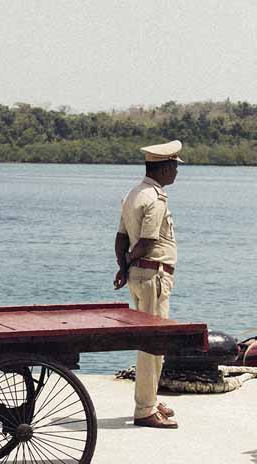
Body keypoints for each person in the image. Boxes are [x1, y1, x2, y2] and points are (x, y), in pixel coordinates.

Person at [113, 140, 183, 429]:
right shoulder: (155, 199)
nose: (176, 173)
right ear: (164, 168)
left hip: (139, 275)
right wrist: (130, 260)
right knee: (153, 344)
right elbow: (147, 241)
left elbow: (120, 238)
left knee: (151, 342)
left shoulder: (133, 193)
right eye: (175, 168)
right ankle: (144, 410)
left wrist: (123, 266)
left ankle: (150, 400)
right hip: (153, 275)